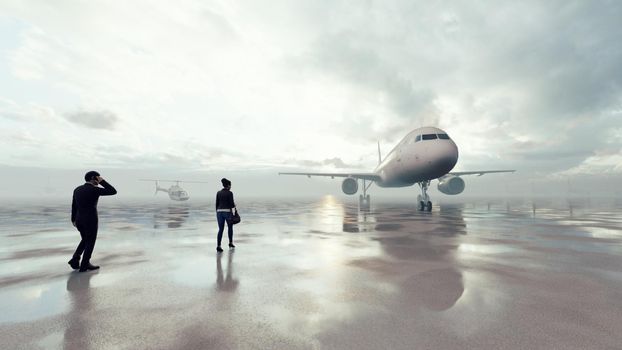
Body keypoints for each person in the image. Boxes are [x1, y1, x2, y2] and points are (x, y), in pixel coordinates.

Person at [68, 171, 117, 272]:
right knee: (90, 242)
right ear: (93, 178)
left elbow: (74, 205)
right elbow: (113, 191)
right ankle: (85, 265)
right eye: (98, 178)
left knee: (85, 240)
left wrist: (73, 219)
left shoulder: (77, 189)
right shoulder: (94, 190)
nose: (99, 180)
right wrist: (103, 181)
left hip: (79, 219)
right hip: (90, 220)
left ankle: (75, 259)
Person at [215, 178, 236, 252]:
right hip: (227, 212)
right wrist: (234, 209)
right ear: (228, 185)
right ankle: (230, 242)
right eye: (230, 185)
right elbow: (232, 204)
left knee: (220, 229)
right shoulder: (230, 193)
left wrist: (217, 212)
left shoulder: (218, 193)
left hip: (219, 212)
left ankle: (218, 246)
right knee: (230, 227)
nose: (231, 187)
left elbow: (217, 204)